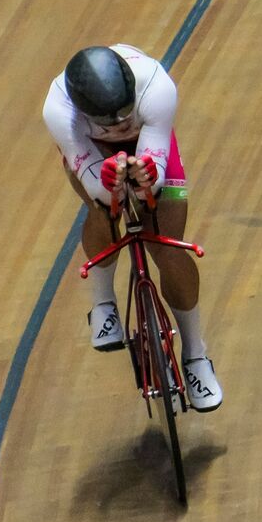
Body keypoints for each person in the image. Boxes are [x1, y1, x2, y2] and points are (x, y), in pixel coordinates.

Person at [43, 44, 222, 411]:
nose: (122, 124)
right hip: (91, 151)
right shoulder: (59, 110)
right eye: (111, 120)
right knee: (104, 208)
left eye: (126, 112)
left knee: (167, 245)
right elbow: (96, 185)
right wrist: (109, 182)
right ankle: (102, 303)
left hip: (149, 143)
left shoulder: (157, 87)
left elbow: (153, 177)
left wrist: (146, 176)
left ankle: (196, 356)